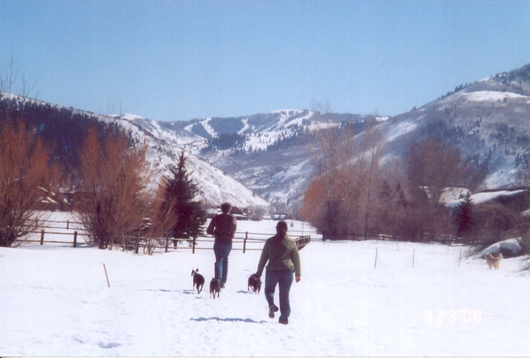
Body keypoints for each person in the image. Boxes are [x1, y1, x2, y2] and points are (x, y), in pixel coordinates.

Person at [254, 220, 301, 325]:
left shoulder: (270, 242)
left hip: (272, 271)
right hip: (287, 272)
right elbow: (296, 259)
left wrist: (258, 273)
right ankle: (284, 318)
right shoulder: (291, 242)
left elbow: (263, 259)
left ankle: (271, 304)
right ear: (287, 229)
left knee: (269, 290)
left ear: (276, 229)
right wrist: (298, 273)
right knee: (284, 295)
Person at [206, 202, 237, 288]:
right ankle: (223, 281)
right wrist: (231, 233)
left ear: (221, 209)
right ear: (230, 209)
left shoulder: (217, 218)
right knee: (225, 260)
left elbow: (209, 230)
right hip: (227, 241)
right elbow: (233, 227)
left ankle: (217, 280)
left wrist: (215, 233)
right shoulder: (232, 217)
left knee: (218, 260)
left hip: (218, 240)